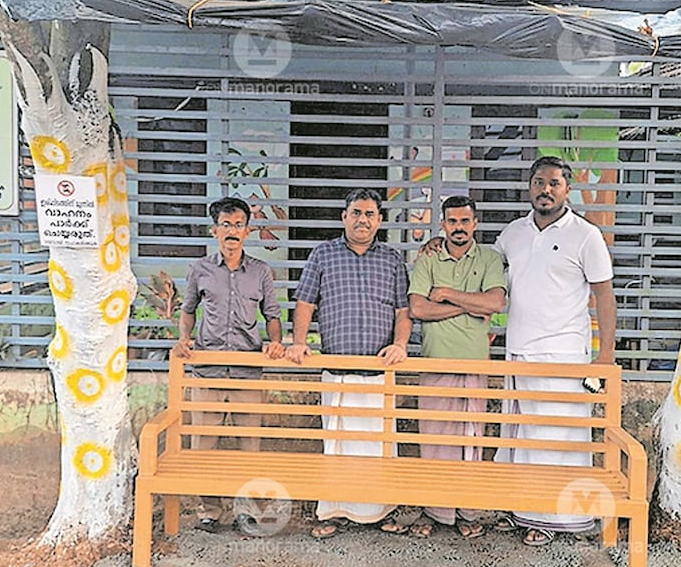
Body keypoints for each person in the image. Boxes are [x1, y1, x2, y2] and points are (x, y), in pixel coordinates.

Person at [491, 156, 617, 547]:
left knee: (557, 440)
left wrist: (604, 356)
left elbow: (604, 296)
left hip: (563, 356)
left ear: (567, 189)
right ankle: (523, 512)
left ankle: (561, 518)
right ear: (529, 187)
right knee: (523, 439)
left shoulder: (585, 235)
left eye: (554, 184)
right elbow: (485, 272)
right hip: (519, 353)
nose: (545, 190)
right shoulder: (512, 233)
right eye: (538, 182)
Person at [285, 188, 412, 538]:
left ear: (379, 220)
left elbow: (404, 312)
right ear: (344, 217)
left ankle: (383, 510)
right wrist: (298, 342)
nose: (362, 220)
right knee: (338, 444)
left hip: (378, 371)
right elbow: (305, 303)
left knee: (379, 445)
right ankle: (335, 513)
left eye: (370, 214)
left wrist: (400, 345)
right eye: (356, 212)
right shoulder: (323, 254)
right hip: (337, 371)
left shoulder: (391, 259)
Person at [391, 194, 507, 539]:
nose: (459, 227)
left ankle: (468, 511)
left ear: (475, 223)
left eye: (465, 221)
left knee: (471, 439)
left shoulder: (488, 257)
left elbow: (496, 302)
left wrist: (446, 293)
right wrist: (470, 305)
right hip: (436, 360)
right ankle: (436, 511)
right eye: (452, 221)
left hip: (474, 364)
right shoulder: (429, 258)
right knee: (435, 439)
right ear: (443, 224)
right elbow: (419, 310)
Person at [172, 196, 285, 535]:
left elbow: (273, 315)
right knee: (203, 447)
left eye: (238, 225)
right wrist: (184, 338)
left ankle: (247, 509)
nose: (232, 231)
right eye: (226, 224)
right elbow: (188, 310)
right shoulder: (199, 270)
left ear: (247, 231)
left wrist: (276, 341)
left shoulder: (262, 271)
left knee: (249, 447)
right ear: (214, 230)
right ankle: (209, 510)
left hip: (247, 373)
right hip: (207, 372)